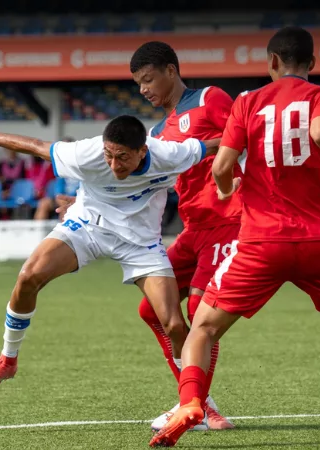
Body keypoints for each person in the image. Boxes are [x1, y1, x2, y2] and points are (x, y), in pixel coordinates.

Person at [149, 27, 320, 447]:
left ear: (271, 62)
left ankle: (192, 403)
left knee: (202, 329)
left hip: (259, 241)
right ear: (312, 64)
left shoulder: (247, 102)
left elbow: (222, 166)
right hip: (317, 242)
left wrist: (223, 189)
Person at [0, 112, 220, 399]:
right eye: (109, 155)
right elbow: (36, 145)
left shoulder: (171, 154)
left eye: (123, 157)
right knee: (29, 276)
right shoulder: (86, 154)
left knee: (175, 325)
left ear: (143, 150)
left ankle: (196, 402)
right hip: (87, 227)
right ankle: (7, 360)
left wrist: (253, 133)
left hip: (140, 244)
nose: (114, 164)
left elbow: (217, 144)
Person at [58, 41, 239, 431]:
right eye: (138, 83)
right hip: (195, 229)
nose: (143, 89)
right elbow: (134, 184)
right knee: (152, 311)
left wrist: (239, 183)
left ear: (171, 71)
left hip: (230, 220)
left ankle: (198, 409)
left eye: (148, 79)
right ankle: (201, 405)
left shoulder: (209, 99)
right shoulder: (155, 133)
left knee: (197, 315)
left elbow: (243, 137)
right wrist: (77, 206)